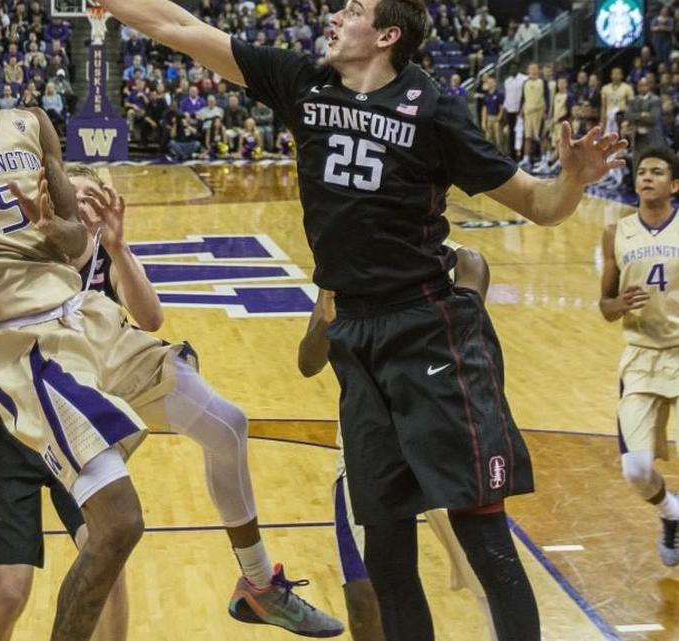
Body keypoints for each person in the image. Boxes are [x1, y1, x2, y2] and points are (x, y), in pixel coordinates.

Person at [0, 12, 342, 641]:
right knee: (119, 524)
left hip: (90, 317)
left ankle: (258, 584)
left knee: (228, 426)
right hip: (27, 344)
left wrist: (55, 230)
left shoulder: (31, 124)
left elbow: (77, 237)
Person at [94, 0, 627, 639]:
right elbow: (182, 29)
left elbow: (540, 205)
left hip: (428, 327)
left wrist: (572, 179)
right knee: (387, 545)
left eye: (354, 8)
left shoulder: (433, 108)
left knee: (480, 530)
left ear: (386, 34)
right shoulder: (301, 80)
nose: (337, 13)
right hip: (356, 333)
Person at [0, 167, 145, 641]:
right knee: (9, 593)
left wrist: (120, 249)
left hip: (79, 426)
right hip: (16, 431)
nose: (83, 203)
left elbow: (151, 318)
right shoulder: (25, 257)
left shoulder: (110, 260)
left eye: (93, 195)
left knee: (108, 567)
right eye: (75, 195)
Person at [299, 243, 500, 641]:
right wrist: (325, 315)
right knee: (364, 597)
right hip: (366, 445)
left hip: (441, 442)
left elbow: (467, 336)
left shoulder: (455, 261)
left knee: (487, 581)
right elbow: (308, 363)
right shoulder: (340, 267)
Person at [599, 147, 679, 568]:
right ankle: (672, 514)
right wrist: (619, 305)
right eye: (642, 172)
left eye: (657, 172)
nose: (646, 177)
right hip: (641, 358)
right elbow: (604, 306)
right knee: (636, 471)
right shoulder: (616, 232)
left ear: (674, 184)